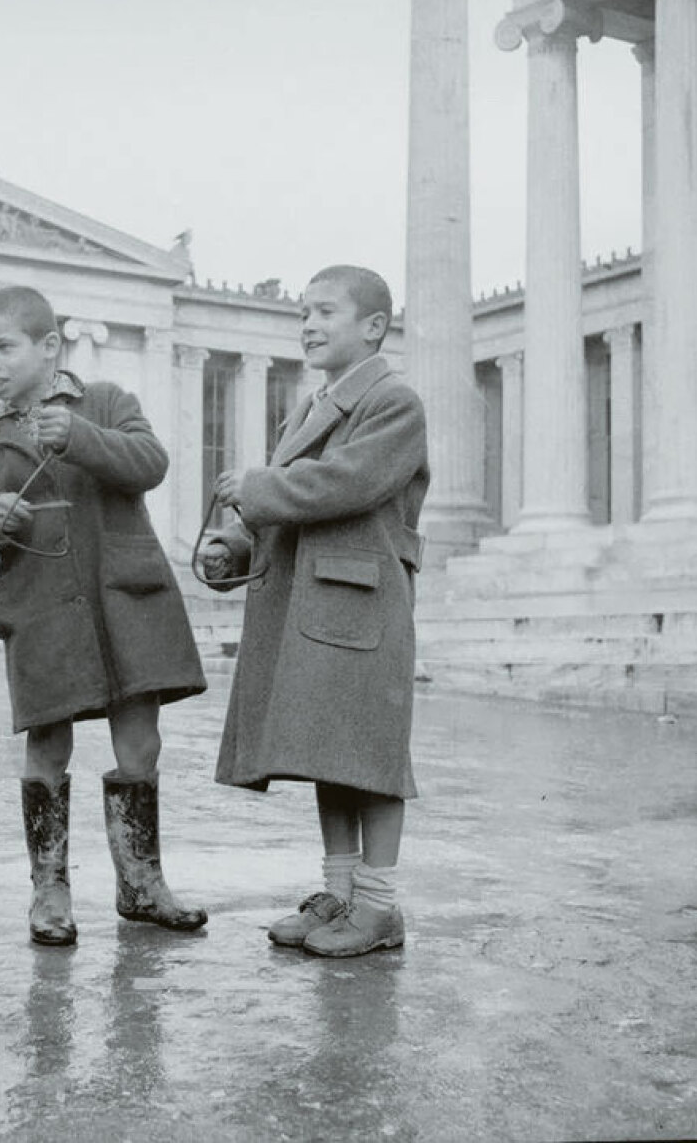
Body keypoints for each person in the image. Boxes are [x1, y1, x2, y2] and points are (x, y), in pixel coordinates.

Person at [0, 285, 208, 947]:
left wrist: (81, 436)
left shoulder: (107, 403)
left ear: (49, 346)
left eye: (5, 347)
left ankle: (142, 886)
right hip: (43, 616)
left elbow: (151, 464)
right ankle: (50, 893)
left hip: (126, 603)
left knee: (139, 740)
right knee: (47, 744)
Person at [198, 265, 430, 958]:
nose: (308, 324)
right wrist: (233, 547)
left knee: (373, 758)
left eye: (325, 311)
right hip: (315, 598)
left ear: (375, 327)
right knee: (331, 752)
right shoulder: (307, 408)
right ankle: (339, 896)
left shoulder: (394, 402)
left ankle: (380, 907)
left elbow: (345, 483)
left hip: (364, 601)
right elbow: (290, 513)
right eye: (303, 312)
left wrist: (259, 487)